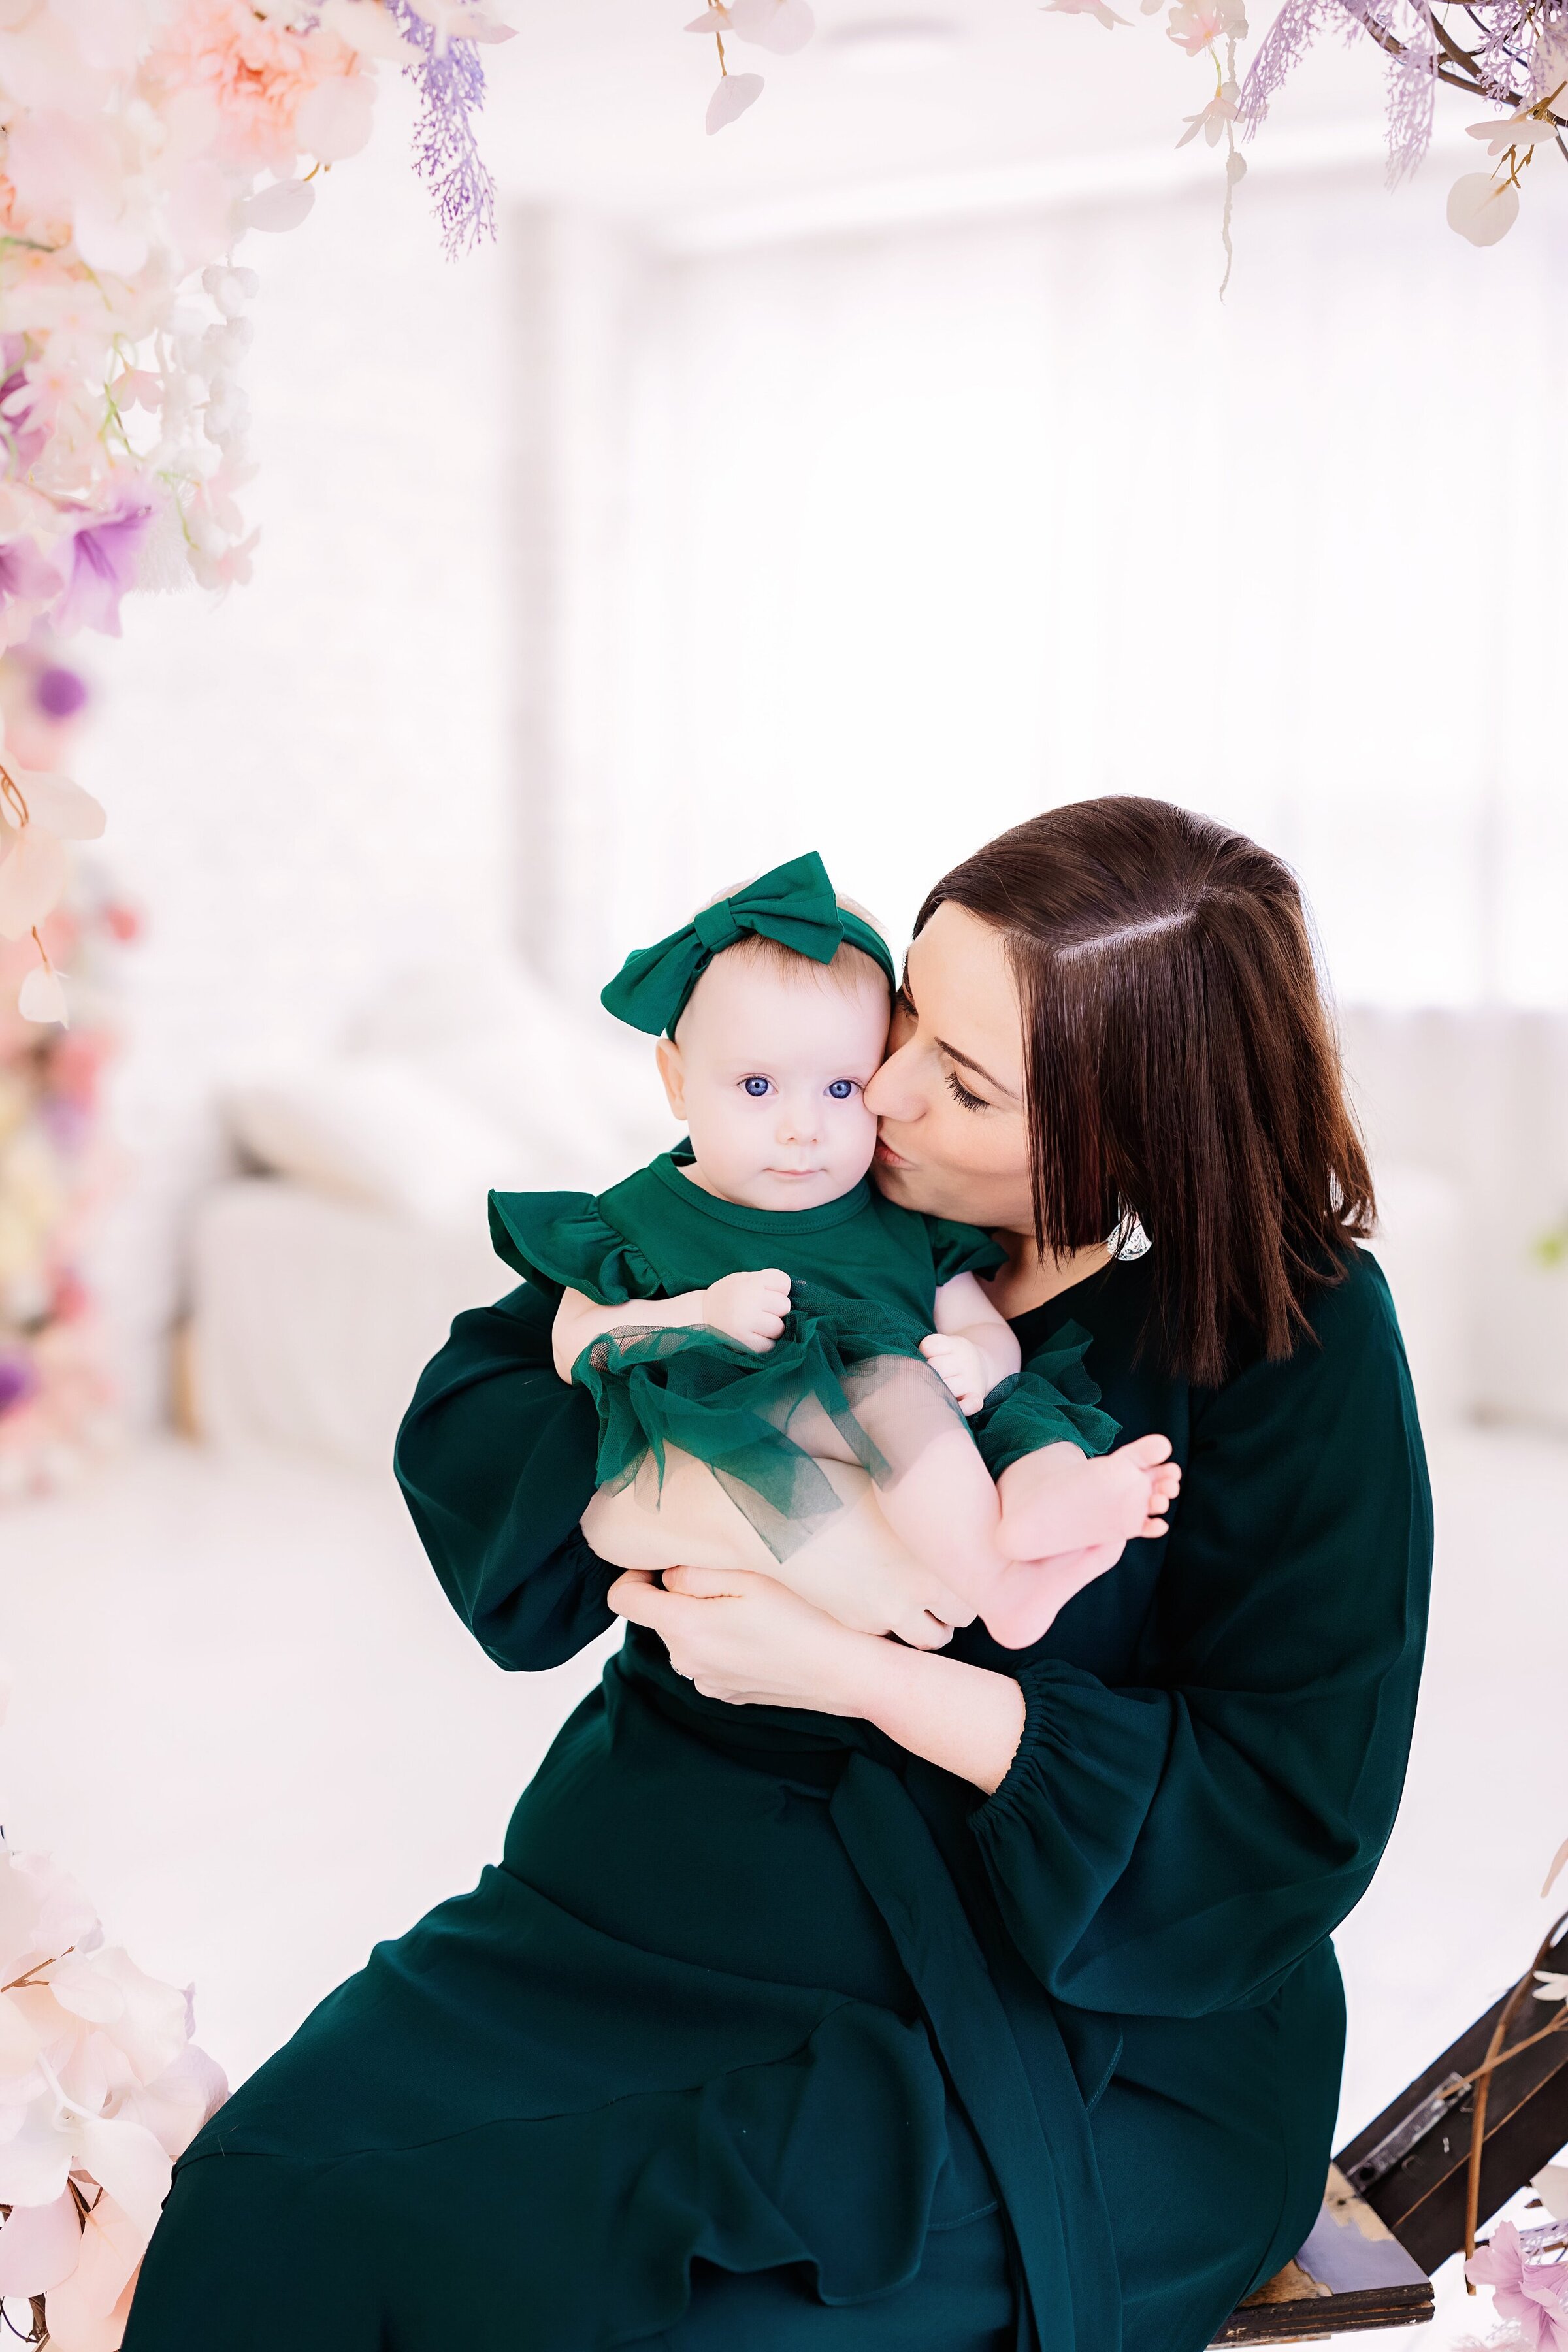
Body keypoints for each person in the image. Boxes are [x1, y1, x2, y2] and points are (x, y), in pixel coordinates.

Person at [122, 797, 1433, 2352]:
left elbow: (1280, 1815)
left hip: (1067, 2011)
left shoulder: (1285, 1336)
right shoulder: (813, 1175)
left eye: (958, 1079)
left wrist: (859, 1673)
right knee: (278, 2199)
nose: (876, 1091)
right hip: (653, 1894)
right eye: (903, 1023)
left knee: (663, 2319)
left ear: (1133, 1128)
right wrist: (629, 1394)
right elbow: (488, 1388)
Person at [504, 847, 1178, 1650]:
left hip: (931, 1424)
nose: (803, 1128)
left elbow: (981, 1328)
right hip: (752, 1413)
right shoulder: (640, 1217)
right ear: (677, 1082)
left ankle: (1049, 1508)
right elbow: (576, 1342)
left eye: (842, 1088)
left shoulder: (900, 1215)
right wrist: (700, 1314)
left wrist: (982, 1362)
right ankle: (1001, 1585)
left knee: (1029, 1415)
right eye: (757, 1088)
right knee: (892, 1385)